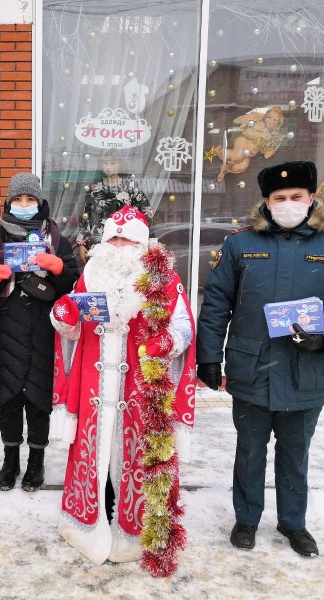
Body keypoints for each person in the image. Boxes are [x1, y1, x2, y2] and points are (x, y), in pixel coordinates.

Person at [196, 161, 324, 557]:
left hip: (304, 371)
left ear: (311, 199)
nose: (289, 204)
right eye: (280, 198)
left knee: (295, 454)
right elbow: (216, 304)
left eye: (296, 197)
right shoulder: (239, 244)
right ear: (267, 202)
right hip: (251, 367)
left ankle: (294, 523)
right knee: (250, 451)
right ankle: (246, 519)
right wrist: (208, 357)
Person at [50, 205, 196, 576]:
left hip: (141, 387)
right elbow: (70, 327)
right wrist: (64, 316)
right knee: (94, 454)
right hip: (93, 387)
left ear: (141, 243)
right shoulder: (90, 273)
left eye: (126, 238)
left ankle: (132, 535)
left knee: (134, 456)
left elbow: (183, 326)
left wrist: (167, 342)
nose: (118, 244)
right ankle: (88, 526)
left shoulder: (163, 279)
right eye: (112, 237)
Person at [0, 173, 79, 492]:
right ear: (8, 202)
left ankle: (36, 462)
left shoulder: (57, 240)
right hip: (2, 332)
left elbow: (75, 288)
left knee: (38, 400)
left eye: (29, 200)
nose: (23, 205)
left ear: (39, 203)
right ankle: (10, 461)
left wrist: (60, 270)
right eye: (18, 200)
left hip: (43, 332)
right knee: (7, 400)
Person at [75, 150, 151, 262]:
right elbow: (86, 218)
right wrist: (81, 243)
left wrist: (139, 239)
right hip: (99, 245)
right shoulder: (94, 190)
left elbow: (146, 214)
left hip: (126, 243)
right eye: (105, 163)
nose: (108, 167)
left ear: (118, 165)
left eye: (112, 163)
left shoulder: (131, 188)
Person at [214, 107, 285, 182]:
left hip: (249, 153)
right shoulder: (259, 123)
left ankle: (225, 169)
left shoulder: (274, 136)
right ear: (265, 117)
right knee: (236, 156)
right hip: (243, 142)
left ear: (279, 123)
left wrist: (273, 144)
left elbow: (266, 155)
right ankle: (218, 150)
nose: (271, 121)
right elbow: (247, 132)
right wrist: (260, 134)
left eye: (274, 120)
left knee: (242, 167)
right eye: (269, 117)